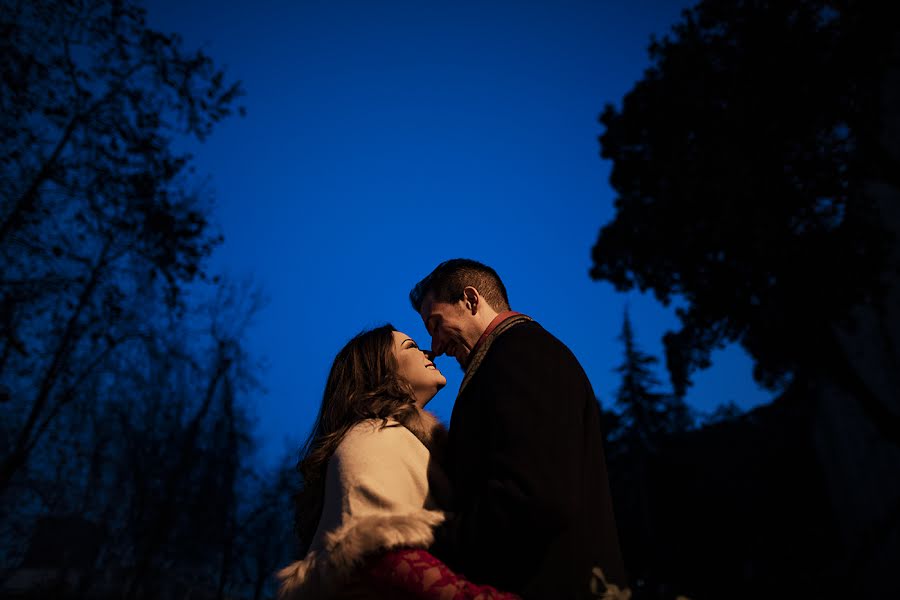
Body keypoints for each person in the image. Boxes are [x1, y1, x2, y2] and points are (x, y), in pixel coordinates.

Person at [410, 259, 629, 599]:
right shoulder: (514, 354)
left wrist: (432, 541)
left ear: (470, 300)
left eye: (436, 324)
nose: (435, 347)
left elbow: (534, 495)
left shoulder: (519, 353)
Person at [276, 324, 520, 599]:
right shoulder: (371, 437)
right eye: (411, 346)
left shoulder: (411, 444)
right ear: (381, 371)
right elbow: (379, 555)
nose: (430, 352)